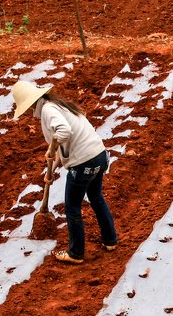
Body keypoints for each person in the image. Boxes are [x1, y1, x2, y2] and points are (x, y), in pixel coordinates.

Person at [11, 81, 118, 264]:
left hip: (83, 162)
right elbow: (65, 145)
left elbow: (64, 132)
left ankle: (76, 253)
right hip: (99, 156)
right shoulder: (59, 106)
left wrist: (53, 146)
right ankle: (110, 241)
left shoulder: (48, 110)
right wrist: (52, 168)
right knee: (96, 196)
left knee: (72, 207)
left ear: (30, 105)